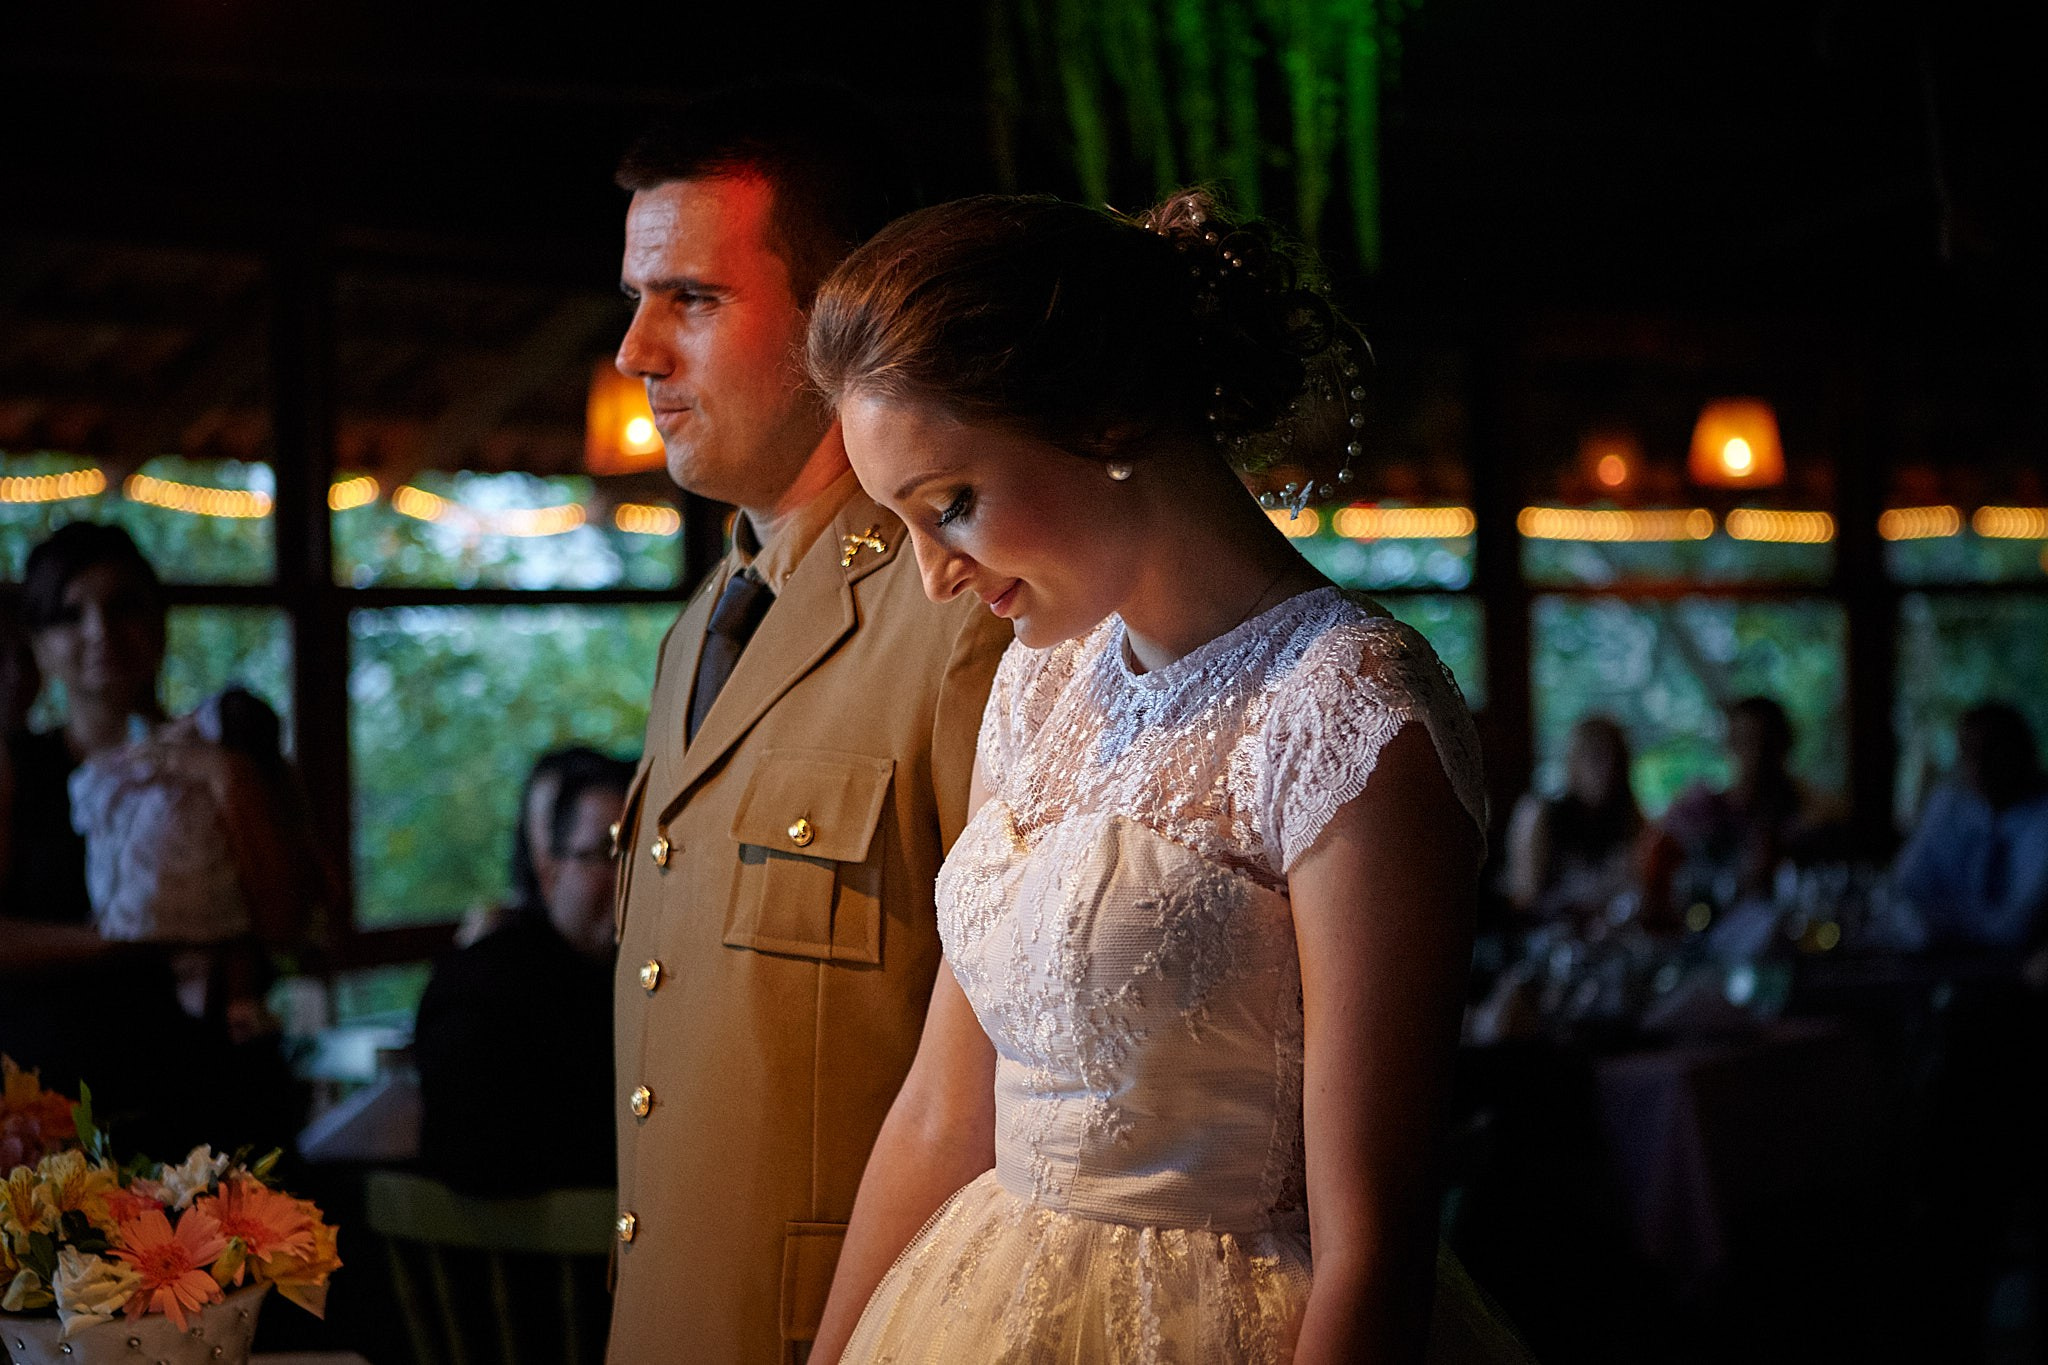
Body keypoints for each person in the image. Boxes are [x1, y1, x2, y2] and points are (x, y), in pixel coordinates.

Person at [804, 192, 1522, 1364]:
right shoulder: (1037, 682)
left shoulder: (1344, 709)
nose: (933, 576)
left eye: (953, 507)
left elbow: (1371, 1244)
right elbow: (944, 1110)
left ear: (1107, 417)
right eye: (905, 524)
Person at [605, 83, 1011, 1363]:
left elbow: (1017, 1068)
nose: (635, 353)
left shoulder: (966, 615)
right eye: (636, 299)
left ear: (839, 321)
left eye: (693, 300)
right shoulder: (698, 622)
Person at [0, 522, 311, 1151]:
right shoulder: (15, 768)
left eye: (124, 606)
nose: (100, 632)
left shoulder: (230, 747)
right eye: (69, 614)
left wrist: (225, 777)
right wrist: (112, 944)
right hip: (59, 1110)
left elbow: (290, 921)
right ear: (39, 642)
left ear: (160, 621)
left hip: (216, 1093)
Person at [415, 747, 633, 1196]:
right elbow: (475, 1156)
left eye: (647, 857)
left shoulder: (649, 991)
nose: (629, 880)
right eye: (605, 855)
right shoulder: (484, 985)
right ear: (549, 869)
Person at [1893, 702, 2048, 951]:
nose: (1979, 765)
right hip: (1945, 963)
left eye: (1992, 752)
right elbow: (1906, 889)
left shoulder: (2041, 818)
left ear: (2023, 754)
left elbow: (2022, 922)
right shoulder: (1949, 805)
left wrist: (1943, 923)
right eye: (1968, 752)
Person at [1658, 696, 1844, 902]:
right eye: (1743, 740)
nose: (1754, 754)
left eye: (1762, 741)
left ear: (1783, 746)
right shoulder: (1708, 810)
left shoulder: (1809, 809)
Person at [1502, 714, 1645, 923]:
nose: (1606, 769)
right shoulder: (1541, 815)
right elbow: (1523, 898)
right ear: (1573, 760)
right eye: (1596, 757)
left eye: (1616, 758)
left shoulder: (1630, 821)